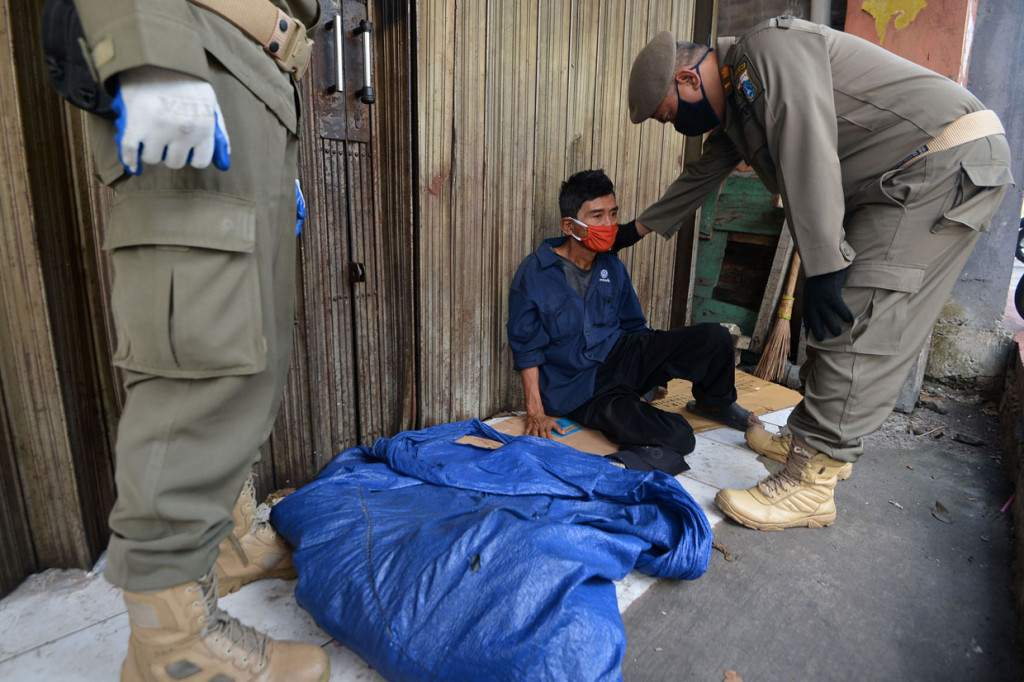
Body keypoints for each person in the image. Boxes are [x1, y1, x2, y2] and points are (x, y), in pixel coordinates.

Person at [622, 17, 1012, 529]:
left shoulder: (768, 50)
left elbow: (807, 140)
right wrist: (632, 231)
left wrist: (826, 262)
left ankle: (809, 485)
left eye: (669, 115)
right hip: (894, 181)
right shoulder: (740, 105)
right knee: (834, 312)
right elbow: (701, 174)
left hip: (939, 163)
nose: (675, 126)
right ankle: (806, 438)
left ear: (689, 80)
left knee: (859, 317)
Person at [72, 0, 329, 679]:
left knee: (247, 354)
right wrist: (145, 50)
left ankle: (228, 542)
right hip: (191, 49)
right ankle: (172, 647)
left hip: (250, 75)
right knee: (198, 353)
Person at [507, 169, 762, 474]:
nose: (609, 224)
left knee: (716, 338)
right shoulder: (534, 274)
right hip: (582, 389)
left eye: (613, 214)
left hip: (622, 354)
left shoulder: (612, 266)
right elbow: (527, 347)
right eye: (597, 216)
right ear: (569, 225)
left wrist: (650, 370)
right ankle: (635, 405)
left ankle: (714, 402)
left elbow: (635, 327)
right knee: (679, 436)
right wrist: (536, 410)